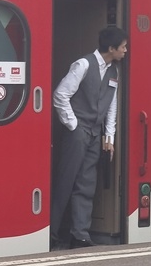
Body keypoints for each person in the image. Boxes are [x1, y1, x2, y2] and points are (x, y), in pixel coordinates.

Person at [50, 26, 129, 248]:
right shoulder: (83, 65)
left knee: (86, 184)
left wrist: (109, 137)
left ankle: (80, 235)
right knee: (65, 182)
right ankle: (51, 233)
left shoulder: (114, 71)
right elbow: (60, 95)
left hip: (95, 134)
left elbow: (111, 105)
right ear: (111, 48)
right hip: (77, 132)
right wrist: (73, 125)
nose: (126, 51)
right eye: (123, 47)